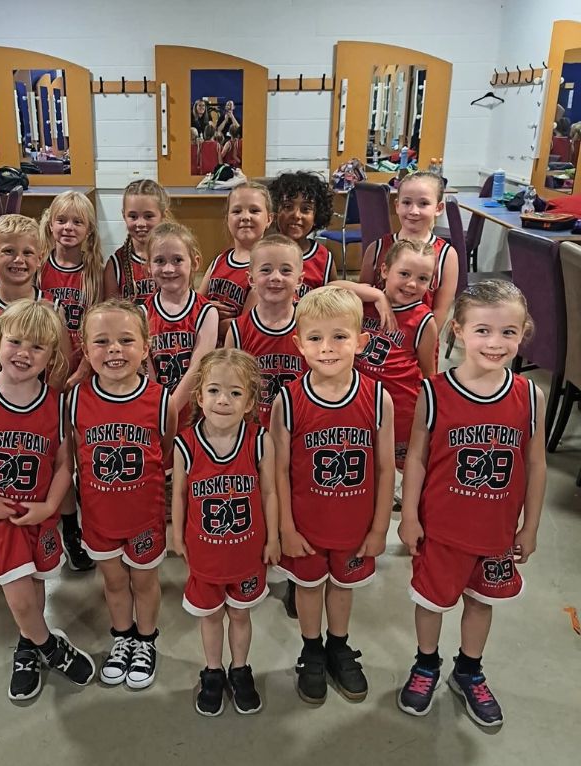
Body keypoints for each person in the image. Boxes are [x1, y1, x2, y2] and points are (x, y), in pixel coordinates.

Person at [397, 281, 546, 727]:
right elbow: (418, 457)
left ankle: (469, 669)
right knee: (432, 601)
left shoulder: (529, 396)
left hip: (496, 532)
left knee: (481, 602)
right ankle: (426, 664)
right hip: (441, 528)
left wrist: (531, 526)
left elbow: (535, 465)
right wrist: (407, 515)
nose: (495, 343)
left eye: (508, 332)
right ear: (458, 331)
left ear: (523, 334)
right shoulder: (435, 392)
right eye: (483, 330)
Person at [0, 300, 96, 701]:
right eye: (15, 342)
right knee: (20, 597)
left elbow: (65, 465)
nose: (24, 353)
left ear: (52, 356)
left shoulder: (56, 404)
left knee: (37, 584)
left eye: (37, 347)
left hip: (39, 515)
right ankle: (50, 646)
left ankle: (29, 646)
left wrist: (50, 507)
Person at [271, 286, 394, 704]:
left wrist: (380, 529)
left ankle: (338, 645)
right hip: (305, 526)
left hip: (356, 526)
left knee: (342, 588)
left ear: (361, 341)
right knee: (308, 589)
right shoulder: (287, 401)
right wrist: (285, 526)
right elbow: (279, 471)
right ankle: (311, 649)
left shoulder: (378, 398)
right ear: (299, 344)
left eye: (340, 337)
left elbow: (384, 467)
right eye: (316, 338)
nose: (327, 348)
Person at [69, 299, 177, 690]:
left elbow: (164, 453)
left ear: (146, 347)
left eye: (126, 340)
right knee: (114, 584)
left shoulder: (160, 399)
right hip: (99, 518)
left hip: (144, 517)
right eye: (101, 341)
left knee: (145, 583)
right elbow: (71, 459)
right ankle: (122, 637)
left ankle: (146, 641)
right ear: (84, 348)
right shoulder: (76, 399)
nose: (114, 349)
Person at [173, 349, 280, 716]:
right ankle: (213, 670)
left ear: (250, 401)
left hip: (247, 553)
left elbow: (269, 491)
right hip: (205, 554)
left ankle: (240, 668)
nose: (223, 400)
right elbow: (180, 494)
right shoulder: (185, 444)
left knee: (240, 614)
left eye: (235, 393)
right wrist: (176, 534)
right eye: (215, 390)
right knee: (210, 616)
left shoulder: (259, 439)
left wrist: (274, 536)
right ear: (199, 395)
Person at [354, 239, 439, 468]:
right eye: (404, 274)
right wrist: (377, 296)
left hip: (400, 409)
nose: (412, 284)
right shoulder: (364, 303)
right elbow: (329, 288)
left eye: (423, 278)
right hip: (359, 401)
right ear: (384, 270)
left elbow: (429, 376)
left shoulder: (423, 320)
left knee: (393, 468)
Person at [358, 170, 458, 334]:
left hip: (416, 344)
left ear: (438, 208)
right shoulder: (376, 248)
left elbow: (441, 310)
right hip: (377, 340)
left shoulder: (447, 255)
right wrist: (379, 296)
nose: (413, 211)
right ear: (397, 206)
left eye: (423, 203)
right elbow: (362, 296)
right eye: (406, 202)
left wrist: (425, 341)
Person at [145, 222, 218, 435]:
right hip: (154, 411)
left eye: (177, 260)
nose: (168, 269)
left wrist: (169, 411)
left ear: (195, 262)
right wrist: (157, 410)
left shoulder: (206, 312)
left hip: (193, 415)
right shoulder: (141, 313)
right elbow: (146, 371)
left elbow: (198, 368)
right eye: (159, 261)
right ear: (148, 266)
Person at [225, 234, 305, 427]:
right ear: (251, 279)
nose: (275, 277)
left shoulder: (309, 326)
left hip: (299, 425)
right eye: (266, 270)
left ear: (300, 280)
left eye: (286, 270)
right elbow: (228, 386)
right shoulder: (237, 330)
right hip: (254, 429)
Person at [0, 214, 55, 380]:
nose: (18, 259)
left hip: (41, 401)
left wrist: (45, 401)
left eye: (28, 252)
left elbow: (59, 366)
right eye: (9, 251)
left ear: (40, 258)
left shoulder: (53, 308)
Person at [39, 190, 104, 384]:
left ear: (89, 229)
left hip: (83, 363)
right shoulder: (38, 267)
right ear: (50, 225)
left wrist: (84, 368)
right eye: (61, 220)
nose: (68, 227)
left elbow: (99, 327)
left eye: (78, 222)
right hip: (45, 363)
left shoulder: (95, 272)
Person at [198, 182, 274, 342]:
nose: (245, 217)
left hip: (238, 356)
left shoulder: (269, 268)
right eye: (237, 211)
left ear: (269, 219)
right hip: (209, 348)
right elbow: (195, 303)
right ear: (227, 219)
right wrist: (206, 309)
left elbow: (246, 328)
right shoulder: (219, 260)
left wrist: (208, 317)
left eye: (254, 211)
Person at [267, 171, 334, 298]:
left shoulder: (324, 258)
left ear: (317, 215)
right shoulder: (262, 251)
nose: (296, 215)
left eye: (306, 209)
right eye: (287, 206)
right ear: (274, 210)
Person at [103, 180, 171, 303]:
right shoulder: (115, 264)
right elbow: (111, 313)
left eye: (148, 216)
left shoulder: (175, 258)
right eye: (133, 216)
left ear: (163, 215)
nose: (140, 224)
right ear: (124, 216)